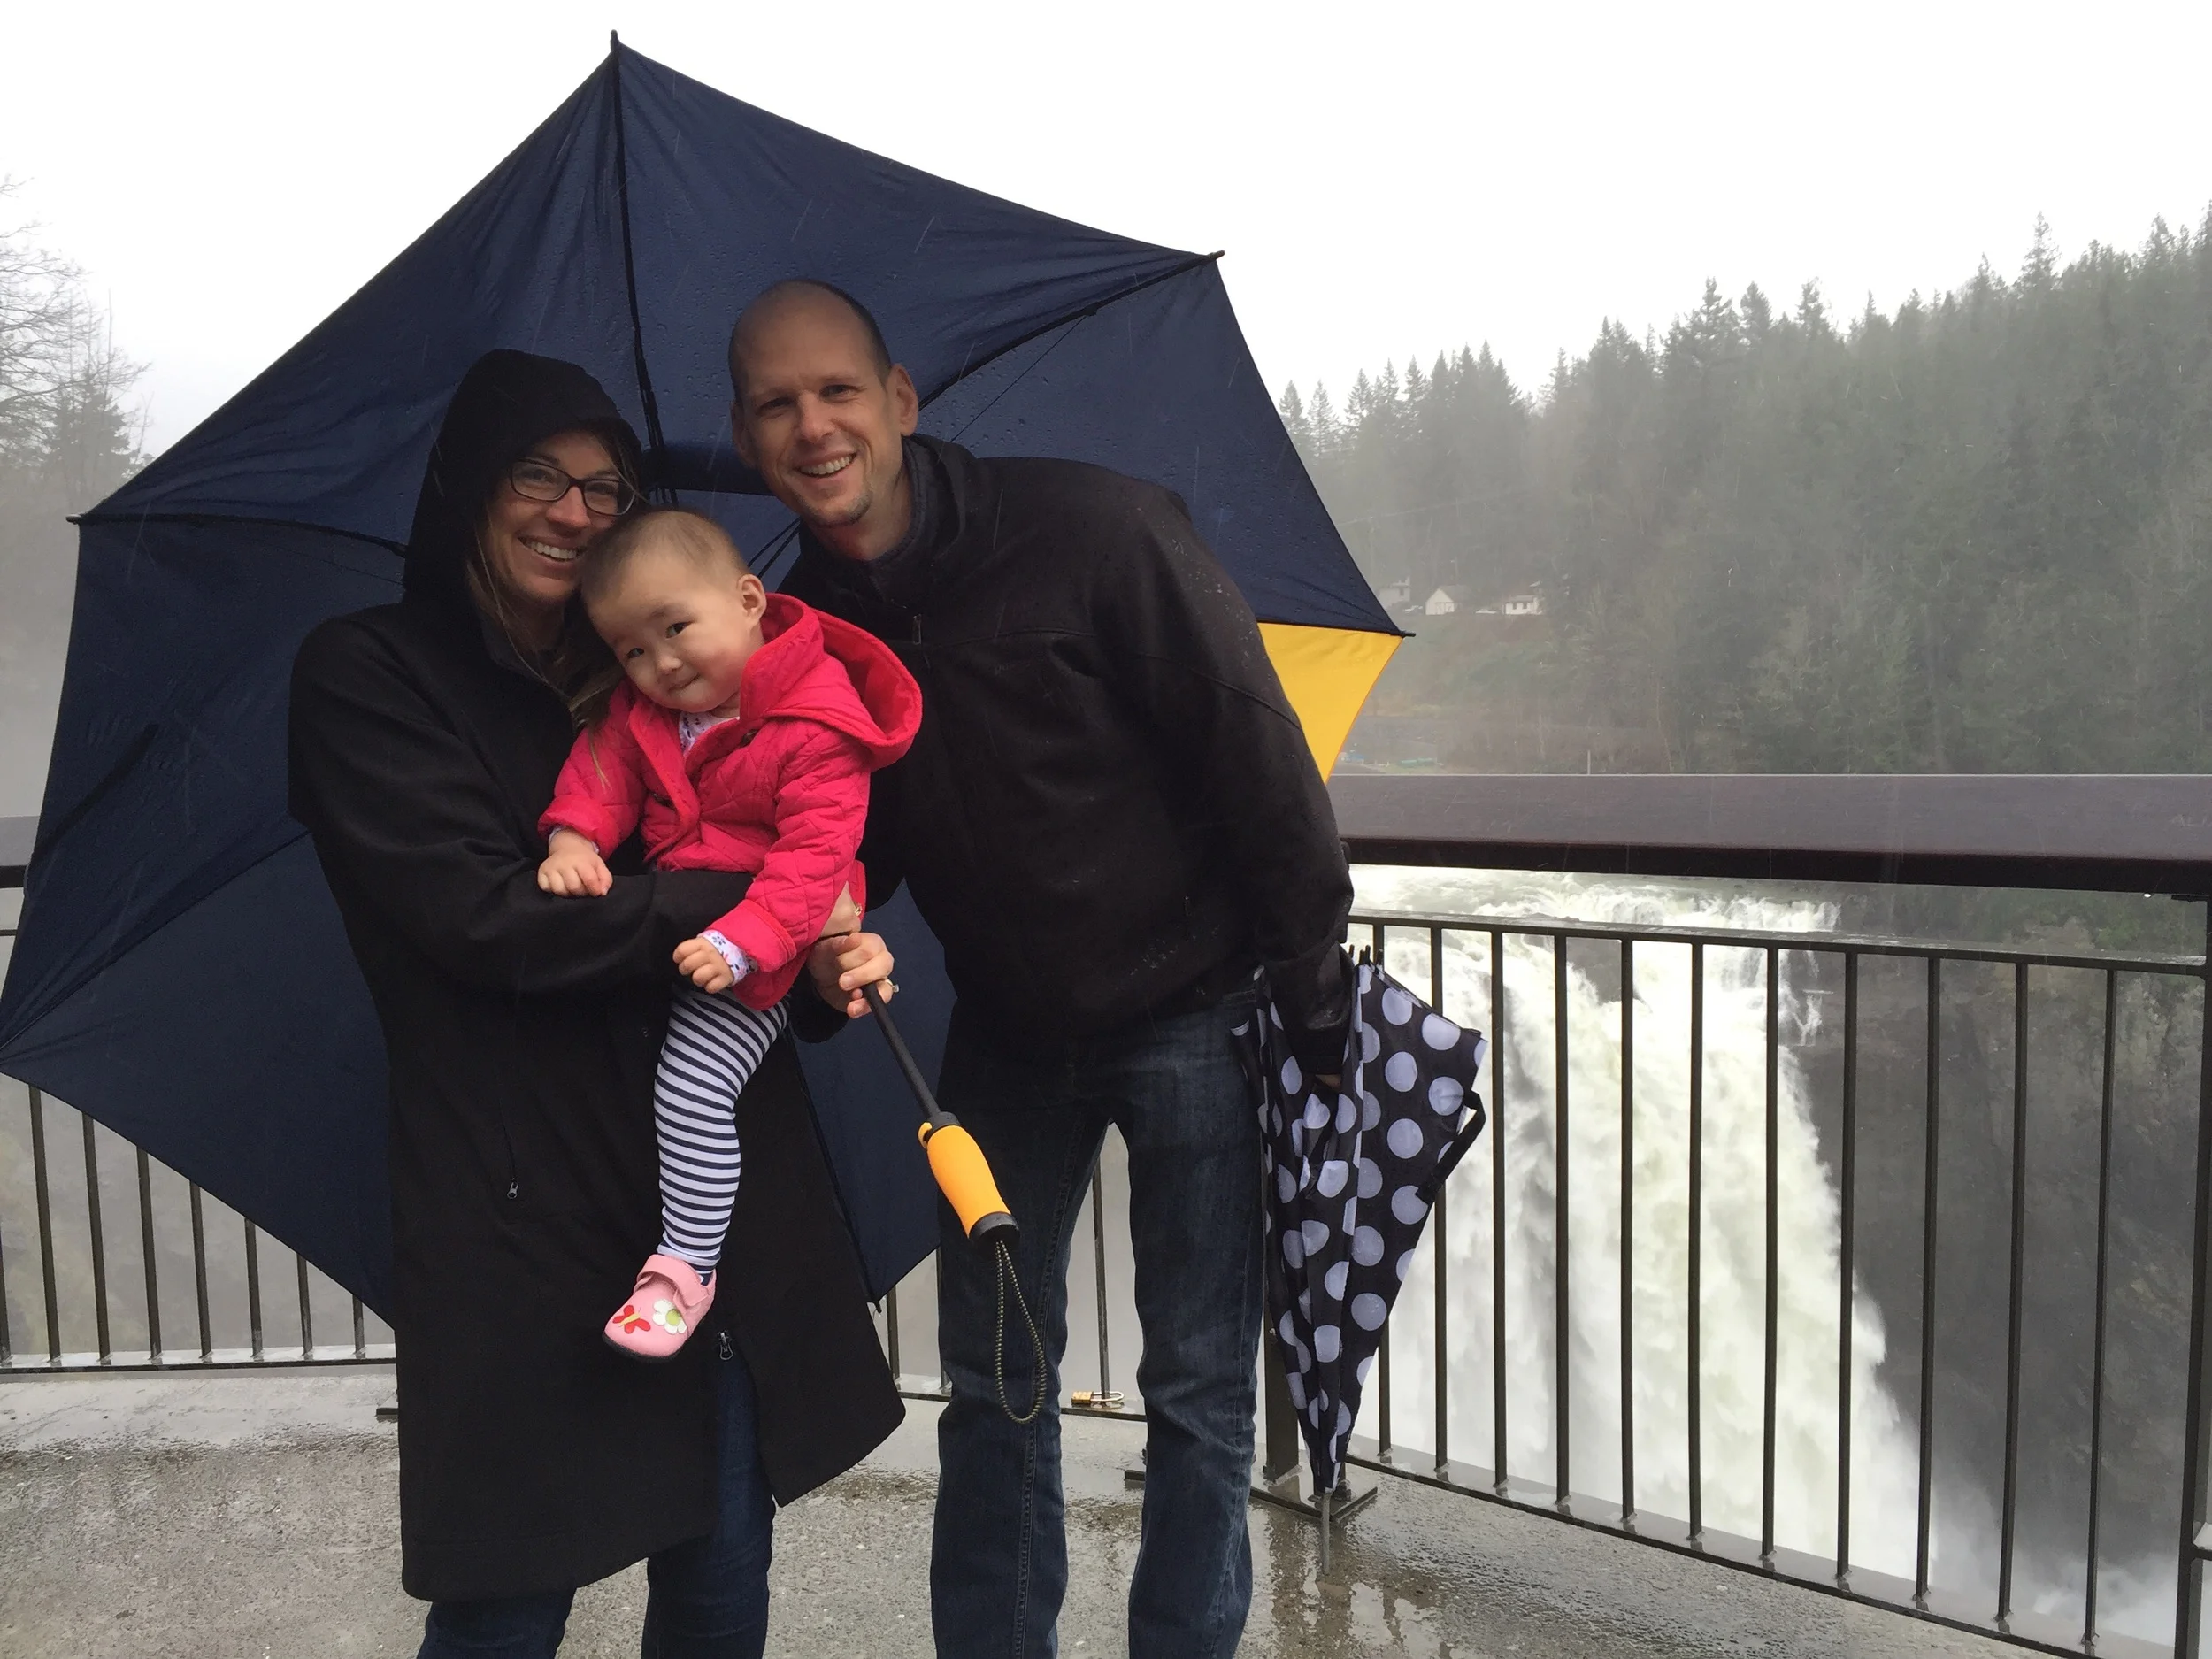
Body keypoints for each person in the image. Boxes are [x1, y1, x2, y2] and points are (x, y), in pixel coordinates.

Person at [732, 280, 1355, 1658]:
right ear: (746, 435)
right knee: (996, 1381)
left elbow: (1257, 750)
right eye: (777, 403)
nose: (813, 424)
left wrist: (1315, 997)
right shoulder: (795, 635)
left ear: (898, 399)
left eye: (837, 390)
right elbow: (844, 835)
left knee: (1200, 1389)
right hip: (1006, 1036)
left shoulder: (1097, 529)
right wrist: (822, 947)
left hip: (1198, 1010)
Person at [288, 349, 903, 1657]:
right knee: (513, 1592)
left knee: (721, 1566)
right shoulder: (371, 675)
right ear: (470, 485)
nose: (573, 511)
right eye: (536, 475)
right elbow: (481, 918)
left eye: (604, 488)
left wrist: (817, 946)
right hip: (518, 1193)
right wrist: (754, 903)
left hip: (695, 1203)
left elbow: (797, 838)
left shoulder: (669, 671)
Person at [534, 508, 919, 1357]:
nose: (661, 664)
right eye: (633, 650)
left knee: (694, 1089)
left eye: (676, 628)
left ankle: (684, 1271)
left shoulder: (816, 721)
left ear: (749, 600)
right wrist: (572, 838)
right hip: (691, 929)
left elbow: (816, 854)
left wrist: (746, 940)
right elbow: (603, 768)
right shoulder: (652, 713)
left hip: (765, 944)